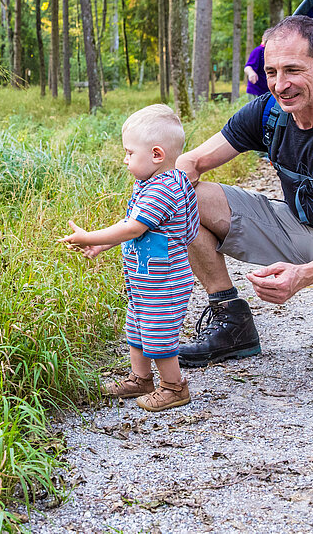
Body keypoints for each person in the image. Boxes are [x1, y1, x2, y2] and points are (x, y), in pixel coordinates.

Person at [174, 15, 313, 369]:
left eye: (293, 70)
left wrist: (305, 275)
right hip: (293, 224)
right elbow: (191, 162)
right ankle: (231, 322)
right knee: (180, 198)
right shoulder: (267, 111)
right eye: (272, 72)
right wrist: (136, 222)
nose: (281, 85)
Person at [60, 104, 199, 412]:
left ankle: (175, 388)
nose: (125, 160)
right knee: (137, 329)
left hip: (164, 282)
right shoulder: (151, 183)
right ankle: (141, 379)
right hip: (146, 280)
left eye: (129, 153)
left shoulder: (165, 189)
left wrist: (89, 236)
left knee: (159, 337)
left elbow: (134, 226)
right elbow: (135, 229)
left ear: (157, 155)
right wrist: (102, 247)